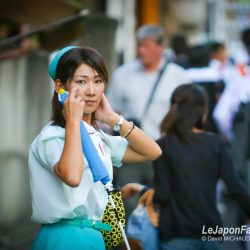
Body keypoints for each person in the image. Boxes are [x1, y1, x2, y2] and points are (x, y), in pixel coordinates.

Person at [28, 46, 161, 250]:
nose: (91, 91)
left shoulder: (98, 137)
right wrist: (72, 121)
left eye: (98, 81)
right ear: (60, 87)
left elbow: (152, 151)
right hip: (64, 239)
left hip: (95, 237)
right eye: (81, 81)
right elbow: (72, 177)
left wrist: (113, 119)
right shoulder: (52, 136)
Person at [123, 83, 250, 250]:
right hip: (209, 231)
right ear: (202, 111)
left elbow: (162, 195)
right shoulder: (216, 144)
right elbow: (235, 186)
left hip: (176, 233)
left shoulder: (163, 146)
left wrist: (139, 188)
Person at [106, 24, 188, 215]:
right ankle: (135, 244)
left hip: (166, 151)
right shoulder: (123, 75)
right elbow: (110, 113)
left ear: (161, 47)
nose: (141, 51)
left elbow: (185, 117)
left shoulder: (178, 77)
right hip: (130, 151)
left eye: (147, 46)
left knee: (165, 203)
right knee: (129, 204)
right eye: (139, 45)